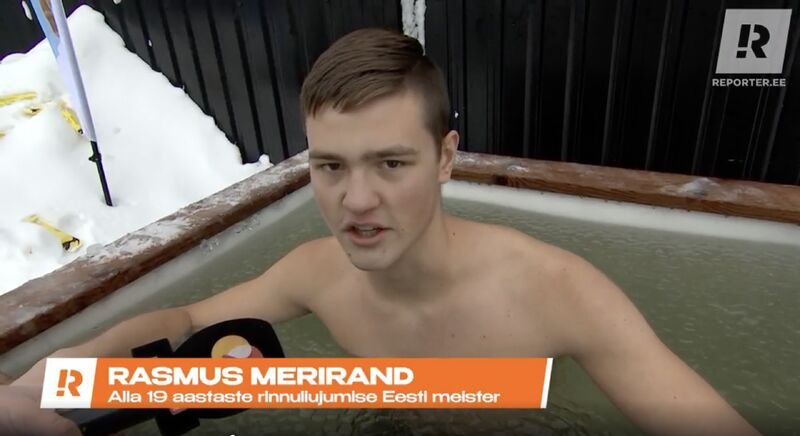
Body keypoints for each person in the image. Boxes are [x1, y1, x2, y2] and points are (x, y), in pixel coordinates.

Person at [10, 28, 759, 435]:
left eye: (391, 163)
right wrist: (42, 383)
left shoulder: (557, 292)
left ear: (446, 158)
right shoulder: (316, 274)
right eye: (330, 166)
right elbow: (183, 321)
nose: (356, 200)